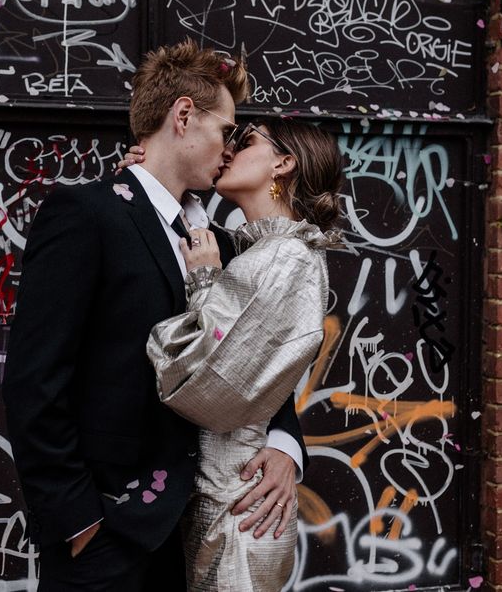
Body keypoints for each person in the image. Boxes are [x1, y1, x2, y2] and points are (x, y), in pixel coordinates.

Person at [1, 38, 308, 592]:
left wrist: (285, 446)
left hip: (200, 533)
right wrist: (78, 520)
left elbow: (257, 362)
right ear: (184, 116)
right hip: (108, 533)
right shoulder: (86, 214)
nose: (230, 147)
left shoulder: (223, 244)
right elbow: (33, 380)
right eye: (226, 130)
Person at [120, 115, 344, 591]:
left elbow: (206, 380)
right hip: (221, 497)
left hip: (238, 509)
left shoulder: (286, 257)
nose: (227, 150)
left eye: (244, 140)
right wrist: (153, 179)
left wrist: (203, 280)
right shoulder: (257, 249)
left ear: (282, 163)